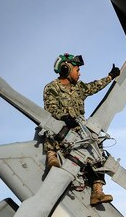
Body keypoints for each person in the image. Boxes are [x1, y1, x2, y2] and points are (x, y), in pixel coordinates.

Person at [43, 53, 120, 205]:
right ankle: (51, 156)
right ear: (66, 69)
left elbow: (93, 87)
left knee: (97, 147)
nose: (80, 73)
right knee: (50, 128)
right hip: (62, 128)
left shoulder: (79, 88)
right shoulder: (51, 88)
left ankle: (97, 191)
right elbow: (50, 110)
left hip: (79, 130)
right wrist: (64, 117)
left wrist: (110, 77)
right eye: (77, 70)